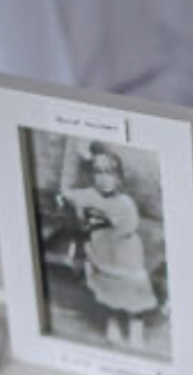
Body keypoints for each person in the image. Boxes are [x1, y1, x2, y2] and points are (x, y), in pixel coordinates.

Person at [58, 141, 158, 349]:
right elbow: (65, 192)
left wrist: (107, 220)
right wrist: (74, 152)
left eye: (109, 172)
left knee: (133, 295)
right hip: (102, 255)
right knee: (109, 293)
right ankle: (113, 323)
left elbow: (129, 226)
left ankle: (136, 326)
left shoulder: (125, 203)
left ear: (118, 177)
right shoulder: (87, 196)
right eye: (98, 172)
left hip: (126, 258)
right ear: (91, 175)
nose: (103, 178)